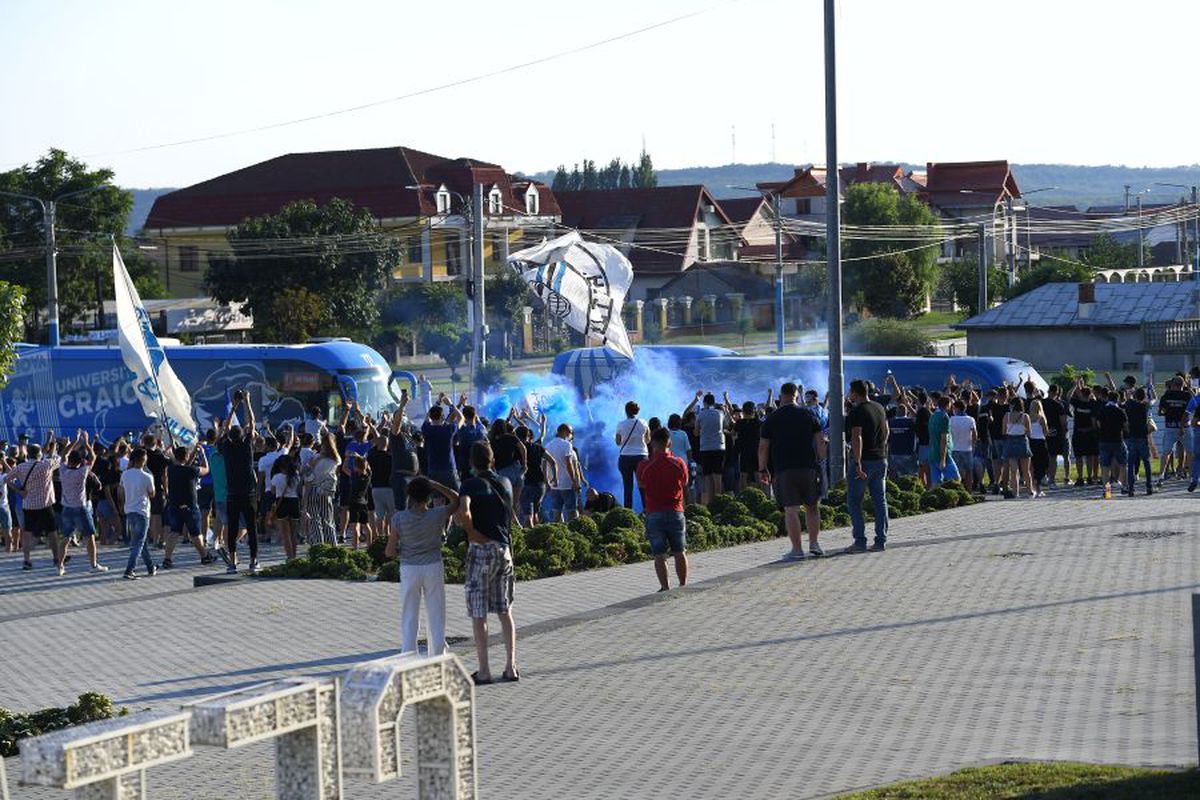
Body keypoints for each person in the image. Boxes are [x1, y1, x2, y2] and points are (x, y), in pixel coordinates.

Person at [458, 442, 520, 685]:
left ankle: (484, 670)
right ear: (492, 460)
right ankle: (511, 666)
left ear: (472, 462)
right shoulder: (505, 482)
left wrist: (470, 531)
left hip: (481, 551)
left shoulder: (469, 484)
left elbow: (464, 510)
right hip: (504, 549)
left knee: (479, 612)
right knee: (505, 610)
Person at [385, 477, 460, 655]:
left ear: (409, 495)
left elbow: (389, 551)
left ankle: (409, 652)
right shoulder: (437, 514)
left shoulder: (399, 518)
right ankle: (438, 651)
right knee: (436, 611)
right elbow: (456, 499)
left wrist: (399, 552)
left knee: (409, 613)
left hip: (409, 567)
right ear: (428, 496)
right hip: (433, 564)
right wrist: (435, 484)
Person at [758, 382, 824, 561]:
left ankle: (796, 549)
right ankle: (814, 544)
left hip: (783, 469)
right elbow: (820, 441)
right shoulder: (808, 414)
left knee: (791, 510)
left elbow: (763, 446)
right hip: (808, 467)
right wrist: (820, 460)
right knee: (812, 506)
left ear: (781, 395)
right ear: (796, 395)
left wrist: (763, 468)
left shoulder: (772, 418)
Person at [636, 427, 690, 590]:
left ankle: (665, 587)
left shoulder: (644, 465)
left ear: (652, 443)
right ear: (669, 443)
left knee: (659, 554)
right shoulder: (679, 462)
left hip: (654, 512)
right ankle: (682, 584)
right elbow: (685, 482)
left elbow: (641, 484)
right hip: (676, 510)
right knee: (680, 551)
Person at [218, 390, 261, 574]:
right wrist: (247, 402)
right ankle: (253, 561)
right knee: (251, 528)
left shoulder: (226, 447)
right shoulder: (246, 447)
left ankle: (233, 562)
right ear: (243, 436)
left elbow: (225, 428)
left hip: (232, 494)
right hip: (249, 493)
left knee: (233, 527)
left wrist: (234, 406)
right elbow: (252, 423)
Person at [6, 437, 63, 572]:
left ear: (28, 454)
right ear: (39, 454)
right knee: (52, 533)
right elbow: (57, 458)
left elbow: (7, 479)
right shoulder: (46, 465)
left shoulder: (21, 467)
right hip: (45, 504)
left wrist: (19, 491)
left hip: (28, 505)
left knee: (27, 533)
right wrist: (53, 445)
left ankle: (27, 560)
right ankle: (56, 558)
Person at [845, 380, 889, 554]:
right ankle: (880, 540)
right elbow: (886, 430)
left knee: (855, 501)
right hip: (880, 459)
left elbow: (857, 437)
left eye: (850, 392)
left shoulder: (856, 412)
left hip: (864, 462)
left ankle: (860, 541)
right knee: (880, 501)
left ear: (855, 393)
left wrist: (857, 462)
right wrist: (882, 448)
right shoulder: (879, 407)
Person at [58, 431, 107, 573]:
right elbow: (93, 456)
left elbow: (63, 455)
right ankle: (93, 565)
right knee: (89, 537)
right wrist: (85, 442)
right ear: (80, 462)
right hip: (80, 507)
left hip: (66, 508)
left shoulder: (62, 470)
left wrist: (73, 442)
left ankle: (60, 566)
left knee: (65, 538)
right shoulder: (82, 472)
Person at [163, 444, 211, 568]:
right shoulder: (192, 471)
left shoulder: (171, 469)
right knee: (195, 533)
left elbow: (183, 464)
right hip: (190, 506)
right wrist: (202, 454)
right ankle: (204, 556)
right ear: (187, 457)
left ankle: (167, 559)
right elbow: (206, 469)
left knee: (174, 532)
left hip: (174, 504)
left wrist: (193, 452)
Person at [120, 448, 157, 580]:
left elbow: (122, 490)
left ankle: (150, 566)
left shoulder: (125, 474)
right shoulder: (147, 476)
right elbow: (152, 494)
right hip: (142, 511)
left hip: (129, 510)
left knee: (141, 541)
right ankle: (130, 569)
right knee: (139, 543)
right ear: (142, 460)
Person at [303, 430, 342, 544]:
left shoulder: (316, 458)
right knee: (328, 519)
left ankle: (318, 544)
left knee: (315, 520)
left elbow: (305, 473)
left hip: (314, 489)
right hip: (327, 491)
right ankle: (332, 545)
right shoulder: (336, 459)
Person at [689, 391, 727, 505]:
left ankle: (710, 503)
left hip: (705, 448)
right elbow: (725, 426)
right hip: (719, 447)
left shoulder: (700, 414)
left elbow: (695, 432)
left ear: (704, 403)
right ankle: (719, 501)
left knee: (708, 476)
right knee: (718, 476)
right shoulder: (720, 413)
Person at [614, 401, 650, 509]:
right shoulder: (644, 423)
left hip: (625, 456)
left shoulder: (621, 424)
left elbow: (618, 442)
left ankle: (628, 512)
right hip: (641, 456)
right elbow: (648, 439)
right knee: (643, 486)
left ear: (626, 411)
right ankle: (647, 510)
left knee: (628, 487)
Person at [266, 453, 302, 561]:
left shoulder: (276, 477)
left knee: (285, 533)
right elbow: (299, 490)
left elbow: (272, 491)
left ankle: (289, 556)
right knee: (294, 532)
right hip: (294, 502)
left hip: (282, 503)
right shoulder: (296, 476)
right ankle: (294, 556)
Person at [422, 394, 462, 489]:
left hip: (433, 469)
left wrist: (437, 403)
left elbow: (427, 417)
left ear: (431, 417)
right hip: (449, 468)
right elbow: (461, 418)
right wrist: (451, 404)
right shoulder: (449, 429)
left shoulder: (426, 429)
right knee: (456, 495)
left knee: (437, 499)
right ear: (442, 417)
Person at [543, 424, 581, 523]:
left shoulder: (548, 445)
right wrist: (574, 481)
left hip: (554, 485)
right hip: (567, 484)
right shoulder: (567, 445)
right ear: (565, 431)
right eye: (570, 432)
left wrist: (547, 481)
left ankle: (557, 535)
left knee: (556, 514)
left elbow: (544, 465)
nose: (571, 435)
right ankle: (573, 534)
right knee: (572, 512)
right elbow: (569, 463)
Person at [1157, 375, 1191, 485]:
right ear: (1183, 385)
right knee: (1190, 452)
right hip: (1185, 427)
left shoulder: (1167, 395)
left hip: (1170, 427)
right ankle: (1192, 476)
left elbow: (1160, 411)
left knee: (1166, 452)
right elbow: (1189, 412)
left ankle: (1161, 474)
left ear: (1172, 385)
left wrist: (1168, 411)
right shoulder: (1187, 396)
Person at [1095, 387, 1128, 490]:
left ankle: (1106, 489)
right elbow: (1126, 426)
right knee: (1123, 463)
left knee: (1105, 466)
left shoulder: (1102, 410)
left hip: (1104, 440)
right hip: (1117, 440)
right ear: (1117, 399)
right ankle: (1124, 486)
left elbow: (1098, 424)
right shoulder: (1120, 411)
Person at [1002, 397, 1035, 498]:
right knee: (1026, 470)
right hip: (1022, 441)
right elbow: (1029, 433)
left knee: (1013, 470)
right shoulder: (1025, 416)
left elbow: (1003, 431)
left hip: (1010, 442)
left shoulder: (1006, 416)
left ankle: (1015, 492)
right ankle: (1030, 490)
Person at [1123, 387, 1153, 496]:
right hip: (1142, 437)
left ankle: (1131, 488)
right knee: (1146, 462)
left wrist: (1130, 393)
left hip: (1132, 436)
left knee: (1131, 463)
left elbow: (1128, 399)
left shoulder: (1130, 405)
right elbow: (1151, 400)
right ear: (1143, 396)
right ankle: (1149, 486)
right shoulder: (1144, 406)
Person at [1070, 381, 1100, 485]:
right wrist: (1077, 386)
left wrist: (1075, 386)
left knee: (1086, 456)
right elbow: (1068, 396)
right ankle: (1084, 477)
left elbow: (1069, 395)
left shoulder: (1091, 403)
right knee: (1084, 457)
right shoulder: (1081, 403)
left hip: (1085, 433)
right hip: (1083, 433)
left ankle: (1084, 477)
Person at [342, 453, 373, 549]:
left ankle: (355, 546)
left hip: (354, 502)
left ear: (355, 466)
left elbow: (344, 468)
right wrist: (360, 457)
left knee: (355, 526)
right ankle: (370, 545)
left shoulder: (354, 476)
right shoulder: (368, 476)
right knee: (366, 525)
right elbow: (369, 468)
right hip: (363, 502)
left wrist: (347, 458)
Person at [928, 395, 960, 487]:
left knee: (936, 483)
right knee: (956, 479)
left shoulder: (933, 416)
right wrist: (943, 459)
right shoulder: (944, 417)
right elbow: (944, 439)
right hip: (943, 455)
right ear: (947, 405)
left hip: (932, 453)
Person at [1041, 385, 1068, 489]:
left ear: (1048, 391)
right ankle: (1051, 480)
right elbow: (1063, 422)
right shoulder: (1058, 405)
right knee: (1053, 457)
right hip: (1055, 433)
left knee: (1044, 456)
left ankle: (1044, 477)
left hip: (1043, 433)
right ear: (1057, 392)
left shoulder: (1041, 403)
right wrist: (1064, 431)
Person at [948, 400, 977, 491]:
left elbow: (948, 434)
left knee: (955, 472)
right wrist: (973, 444)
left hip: (955, 448)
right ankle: (969, 490)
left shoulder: (951, 419)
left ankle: (957, 490)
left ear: (956, 408)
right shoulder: (970, 419)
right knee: (969, 471)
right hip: (967, 448)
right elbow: (975, 434)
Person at [1027, 399, 1050, 496]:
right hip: (1040, 442)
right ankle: (1039, 487)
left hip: (1031, 442)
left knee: (1032, 465)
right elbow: (1045, 431)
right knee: (1041, 465)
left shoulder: (1028, 417)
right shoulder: (1041, 418)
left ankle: (1032, 487)